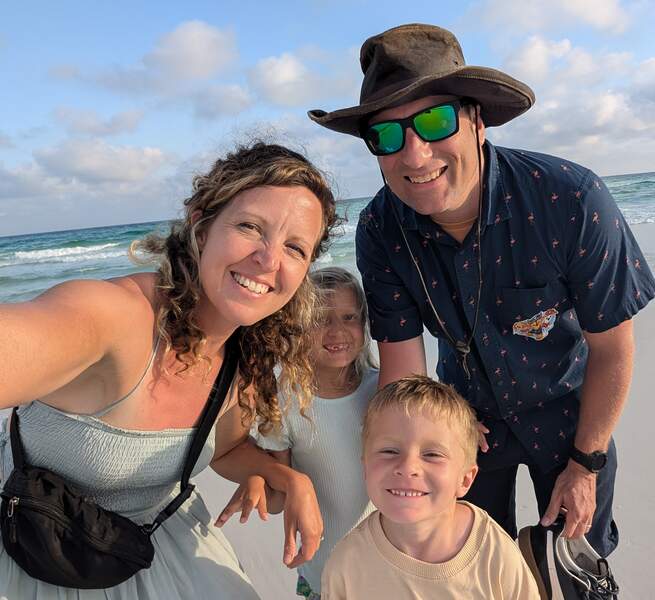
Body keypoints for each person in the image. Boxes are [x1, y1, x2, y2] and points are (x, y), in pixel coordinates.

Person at [309, 23, 655, 563]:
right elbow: (403, 367)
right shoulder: (380, 229)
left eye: (434, 121)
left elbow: (612, 349)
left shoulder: (571, 198)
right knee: (469, 566)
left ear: (476, 120)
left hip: (571, 415)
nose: (415, 155)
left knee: (575, 569)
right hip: (463, 422)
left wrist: (586, 463)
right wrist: (408, 462)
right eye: (387, 135)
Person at [0, 141, 338, 597]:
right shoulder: (117, 318)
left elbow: (225, 449)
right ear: (201, 226)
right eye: (250, 227)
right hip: (29, 543)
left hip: (149, 543)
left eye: (295, 248)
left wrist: (288, 479)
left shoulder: (244, 355)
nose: (269, 260)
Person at [216, 266, 378, 600]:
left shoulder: (382, 389)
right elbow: (278, 501)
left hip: (388, 569)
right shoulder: (286, 401)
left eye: (349, 317)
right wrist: (259, 481)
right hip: (325, 573)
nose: (337, 331)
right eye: (320, 319)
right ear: (297, 329)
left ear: (364, 324)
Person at [322, 375, 539, 599]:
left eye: (432, 454)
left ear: (465, 480)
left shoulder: (495, 556)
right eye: (389, 451)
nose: (408, 467)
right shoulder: (347, 564)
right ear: (365, 468)